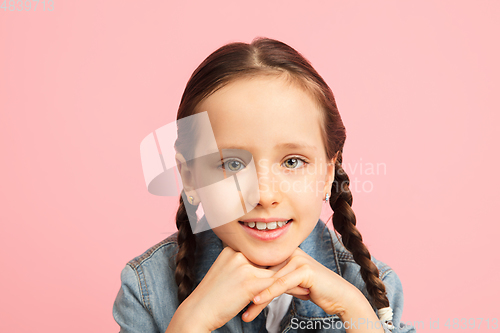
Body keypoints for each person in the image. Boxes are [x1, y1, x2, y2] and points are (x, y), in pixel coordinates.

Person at [112, 37, 416, 333]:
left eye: (293, 162)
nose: (265, 195)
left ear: (327, 176)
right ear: (191, 178)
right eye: (231, 164)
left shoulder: (374, 290)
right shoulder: (147, 287)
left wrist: (356, 311)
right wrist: (191, 324)